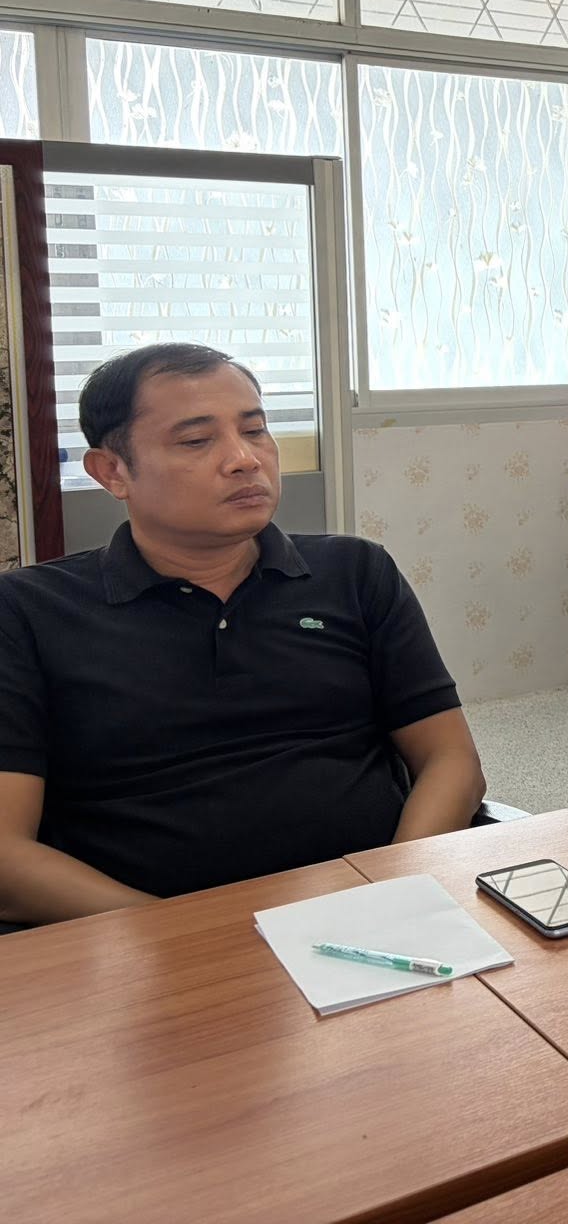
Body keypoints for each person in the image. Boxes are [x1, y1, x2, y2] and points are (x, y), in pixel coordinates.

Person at [0, 344, 485, 928]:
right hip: (148, 944)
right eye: (195, 440)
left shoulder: (355, 573)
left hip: (375, 917)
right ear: (112, 471)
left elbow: (451, 760)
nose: (244, 459)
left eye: (255, 430)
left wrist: (393, 891)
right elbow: (7, 856)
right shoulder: (27, 610)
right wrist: (194, 938)